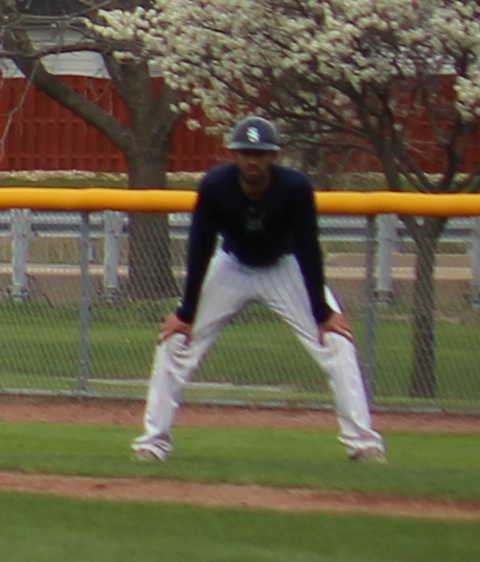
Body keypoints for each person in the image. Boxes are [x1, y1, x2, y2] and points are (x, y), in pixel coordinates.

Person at [137, 114, 383, 465]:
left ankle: (363, 443)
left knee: (337, 342)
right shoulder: (216, 185)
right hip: (232, 266)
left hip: (284, 267)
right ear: (234, 154)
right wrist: (186, 312)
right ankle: (152, 443)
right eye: (245, 152)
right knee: (175, 340)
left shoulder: (294, 186)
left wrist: (322, 313)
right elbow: (200, 245)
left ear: (274, 157)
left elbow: (309, 248)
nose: (252, 160)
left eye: (260, 153)